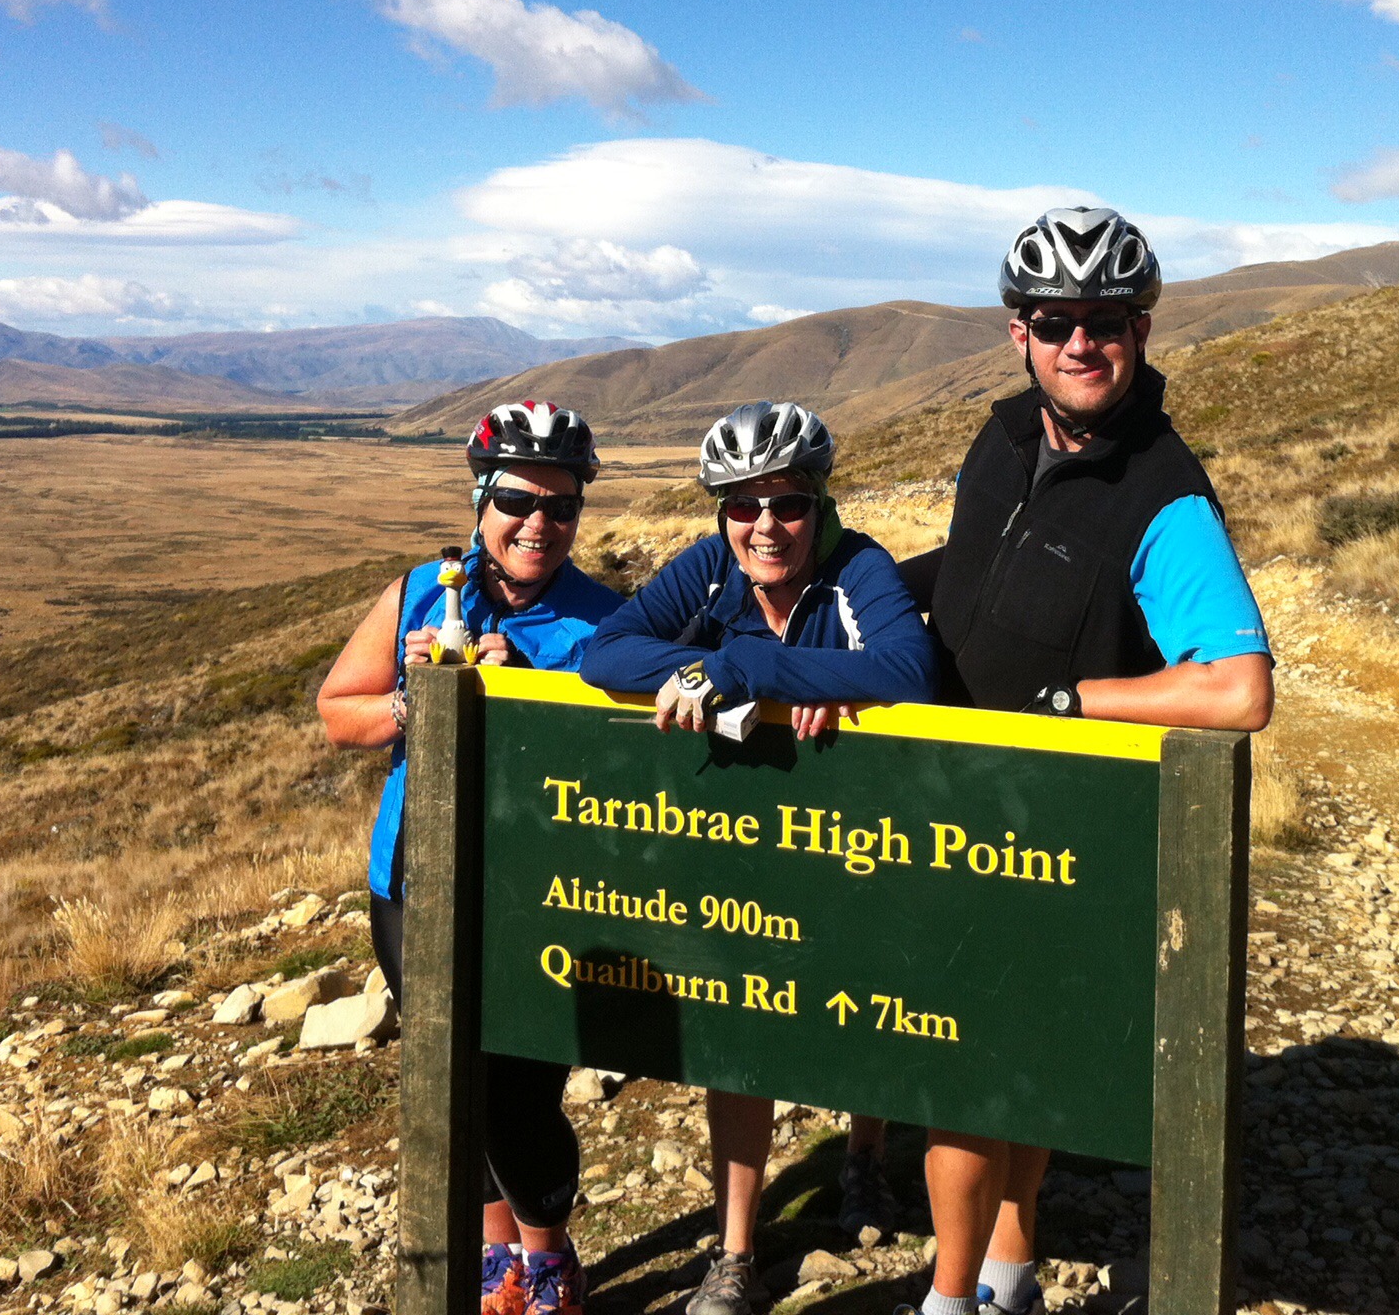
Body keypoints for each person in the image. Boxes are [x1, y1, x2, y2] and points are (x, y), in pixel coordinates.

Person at [901, 207, 1273, 1315]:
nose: (1080, 343)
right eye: (1055, 320)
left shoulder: (1163, 492)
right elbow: (974, 567)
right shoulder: (1005, 437)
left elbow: (1237, 687)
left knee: (966, 1071)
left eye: (1104, 321)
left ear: (1141, 329)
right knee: (1014, 1059)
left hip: (1054, 825)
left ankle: (949, 1299)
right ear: (1017, 330)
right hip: (953, 795)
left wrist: (1075, 702)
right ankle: (1011, 1272)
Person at [579, 399, 936, 1315]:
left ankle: (863, 1157)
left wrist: (748, 670)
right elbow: (603, 655)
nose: (764, 527)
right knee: (742, 1027)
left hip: (854, 838)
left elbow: (906, 670)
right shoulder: (709, 569)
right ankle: (735, 1252)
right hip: (746, 843)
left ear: (820, 503)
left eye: (787, 503)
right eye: (742, 505)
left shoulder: (859, 567)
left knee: (867, 997)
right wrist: (706, 668)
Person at [318, 401, 623, 1315]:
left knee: (519, 1094)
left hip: (540, 893)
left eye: (561, 507)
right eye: (518, 501)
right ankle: (497, 1257)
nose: (539, 523)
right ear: (481, 499)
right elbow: (339, 711)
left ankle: (550, 1261)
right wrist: (415, 703)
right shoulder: (422, 592)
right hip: (411, 883)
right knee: (454, 1081)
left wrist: (526, 699)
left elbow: (622, 769)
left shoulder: (608, 623)